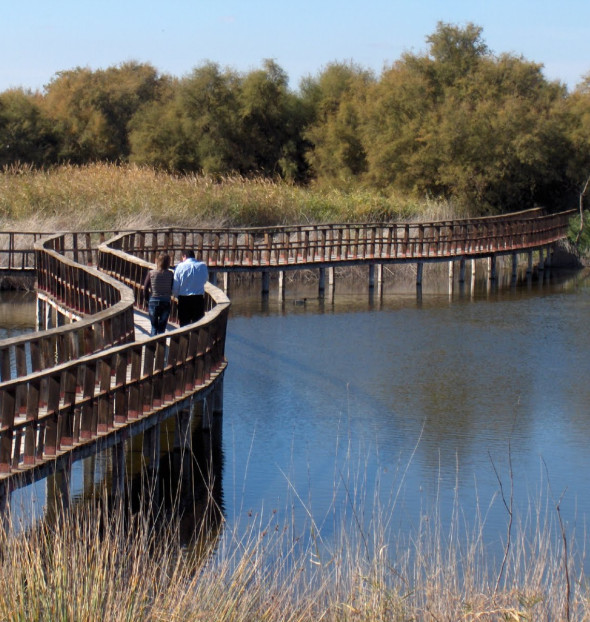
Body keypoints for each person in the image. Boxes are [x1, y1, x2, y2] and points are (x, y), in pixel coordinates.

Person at [172, 249, 209, 326]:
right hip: (198, 299)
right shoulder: (202, 266)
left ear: (184, 256)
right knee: (198, 325)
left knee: (184, 325)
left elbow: (176, 285)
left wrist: (176, 296)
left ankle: (184, 338)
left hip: (184, 299)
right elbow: (205, 280)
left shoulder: (180, 267)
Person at [143, 253, 173, 335]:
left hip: (153, 301)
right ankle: (161, 346)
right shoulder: (170, 274)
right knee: (162, 329)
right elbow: (172, 287)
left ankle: (152, 346)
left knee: (154, 327)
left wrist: (146, 300)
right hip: (166, 302)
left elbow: (145, 288)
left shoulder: (151, 273)